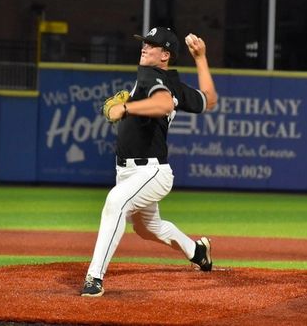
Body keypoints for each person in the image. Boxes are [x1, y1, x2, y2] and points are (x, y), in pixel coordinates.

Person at [81, 27, 218, 297]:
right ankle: (197, 251)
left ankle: (94, 277)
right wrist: (201, 58)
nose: (144, 47)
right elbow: (209, 100)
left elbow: (164, 104)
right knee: (148, 228)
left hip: (153, 171)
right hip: (131, 172)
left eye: (152, 45)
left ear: (165, 55)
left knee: (115, 203)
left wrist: (127, 107)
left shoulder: (150, 76)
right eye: (144, 42)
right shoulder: (171, 81)